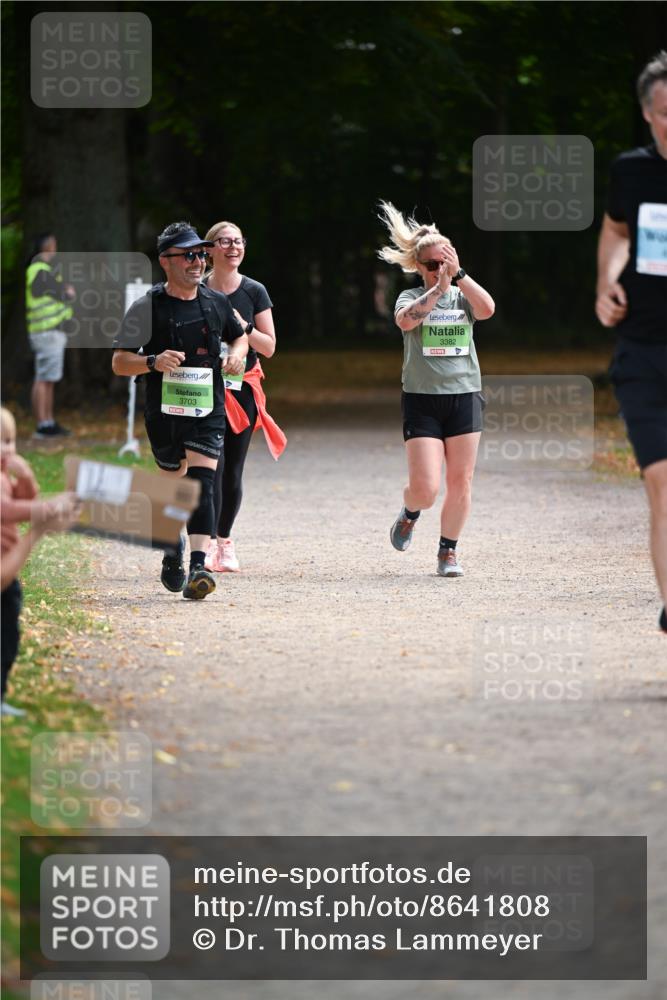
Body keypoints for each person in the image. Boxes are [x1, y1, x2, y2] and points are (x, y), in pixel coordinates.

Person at [112, 221, 248, 601]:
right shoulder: (148, 306)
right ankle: (172, 547)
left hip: (208, 407)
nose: (197, 262)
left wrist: (236, 355)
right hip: (164, 412)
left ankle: (199, 566)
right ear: (166, 262)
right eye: (188, 255)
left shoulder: (217, 302)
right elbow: (120, 362)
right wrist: (153, 361)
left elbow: (239, 335)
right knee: (174, 484)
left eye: (201, 254)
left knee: (203, 483)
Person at [377, 201, 495, 577]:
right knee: (426, 488)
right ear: (417, 266)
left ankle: (448, 552)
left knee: (461, 481)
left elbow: (489, 309)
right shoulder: (410, 298)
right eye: (431, 265)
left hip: (464, 395)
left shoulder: (464, 296)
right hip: (422, 400)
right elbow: (405, 323)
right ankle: (411, 512)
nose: (438, 270)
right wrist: (437, 290)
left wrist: (459, 277)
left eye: (444, 262)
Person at [595, 51, 667, 633]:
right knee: (661, 481)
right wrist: (606, 280)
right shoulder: (631, 171)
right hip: (643, 348)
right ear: (648, 115)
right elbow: (617, 230)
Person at [202, 220, 287, 573]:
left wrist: (243, 326)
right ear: (209, 250)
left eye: (238, 241)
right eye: (225, 242)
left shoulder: (254, 291)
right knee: (211, 468)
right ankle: (204, 542)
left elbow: (269, 347)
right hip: (203, 389)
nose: (233, 247)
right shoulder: (197, 288)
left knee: (232, 469)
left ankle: (224, 541)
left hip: (242, 389)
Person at [1, 406, 81, 717]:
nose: (7, 449)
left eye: (10, 441)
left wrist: (26, 475)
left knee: (9, 634)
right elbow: (7, 511)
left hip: (8, 569)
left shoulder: (5, 475)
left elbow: (26, 498)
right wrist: (46, 511)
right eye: (0, 442)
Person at [25, 233, 76, 438]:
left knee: (47, 378)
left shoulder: (40, 270)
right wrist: (67, 292)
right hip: (47, 332)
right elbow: (60, 293)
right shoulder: (39, 270)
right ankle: (43, 424)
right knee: (44, 378)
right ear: (49, 247)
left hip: (48, 332)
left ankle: (47, 422)